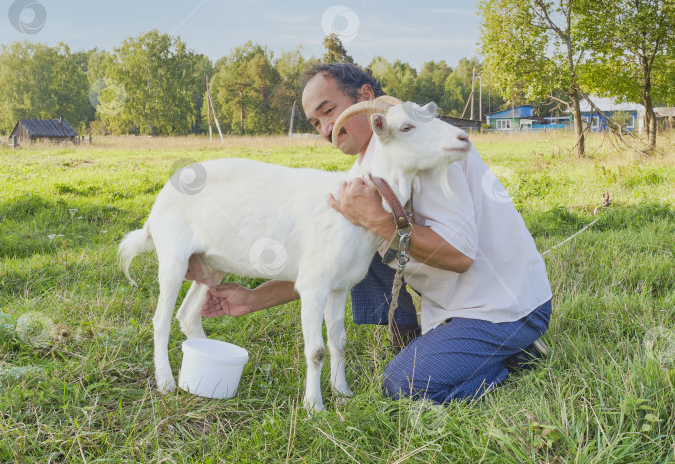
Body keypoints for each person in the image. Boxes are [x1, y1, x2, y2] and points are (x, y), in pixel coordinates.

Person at [186, 62, 552, 404]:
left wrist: (377, 220)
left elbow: (460, 256)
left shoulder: (418, 146)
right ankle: (411, 338)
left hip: (503, 307)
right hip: (450, 306)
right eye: (316, 123)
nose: (327, 129)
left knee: (404, 385)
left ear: (364, 98)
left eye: (329, 111)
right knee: (355, 240)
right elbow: (327, 263)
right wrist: (252, 299)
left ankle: (512, 357)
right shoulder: (369, 165)